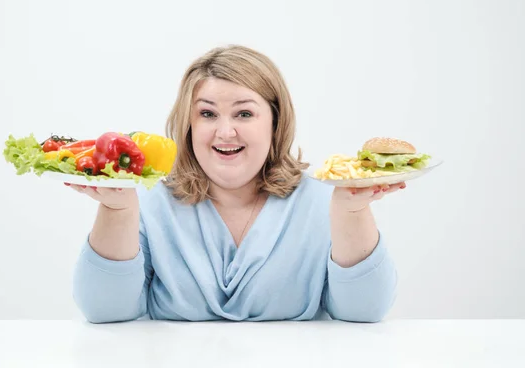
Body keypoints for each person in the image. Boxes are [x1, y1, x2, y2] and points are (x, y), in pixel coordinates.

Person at [68, 45, 403, 323]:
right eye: (208, 114)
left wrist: (354, 212)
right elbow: (105, 312)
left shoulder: (321, 201)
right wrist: (115, 210)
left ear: (275, 121)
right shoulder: (150, 202)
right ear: (188, 124)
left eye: (244, 114)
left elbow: (364, 313)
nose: (225, 132)